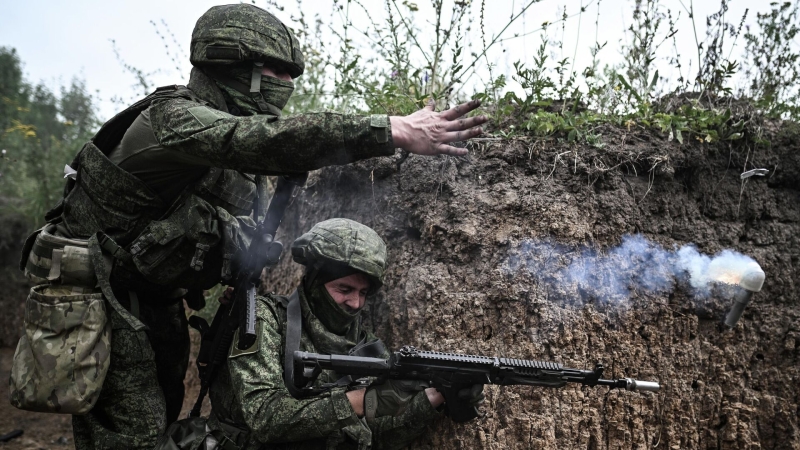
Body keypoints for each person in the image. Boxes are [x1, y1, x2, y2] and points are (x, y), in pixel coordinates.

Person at [9, 3, 487, 450]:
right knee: (129, 437)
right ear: (229, 64)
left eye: (290, 74)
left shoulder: (230, 158)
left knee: (161, 421)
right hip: (103, 302)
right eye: (274, 71)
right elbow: (255, 140)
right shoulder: (172, 120)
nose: (284, 83)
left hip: (157, 304)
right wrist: (389, 129)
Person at [204, 219, 484, 450]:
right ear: (314, 282)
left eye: (363, 293)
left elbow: (377, 437)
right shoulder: (267, 319)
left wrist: (430, 402)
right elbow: (264, 417)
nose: (355, 303)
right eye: (344, 289)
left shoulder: (369, 348)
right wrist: (362, 401)